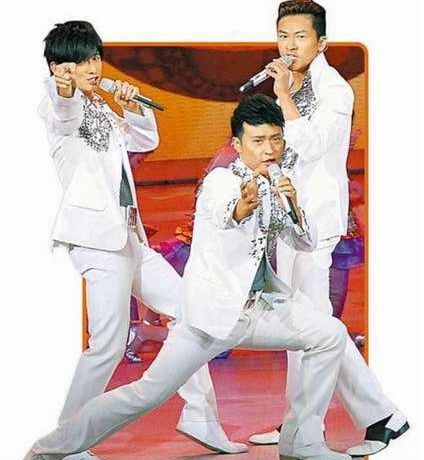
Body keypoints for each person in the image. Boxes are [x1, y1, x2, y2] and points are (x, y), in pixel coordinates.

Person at [25, 94, 358, 460]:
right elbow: (226, 213)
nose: (269, 149)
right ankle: (51, 448)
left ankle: (302, 441)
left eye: (276, 139)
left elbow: (304, 242)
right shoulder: (221, 180)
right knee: (145, 394)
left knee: (329, 334)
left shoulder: (278, 182)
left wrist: (294, 206)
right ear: (237, 144)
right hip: (210, 318)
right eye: (258, 141)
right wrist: (243, 207)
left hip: (259, 310)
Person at [37, 20, 247, 460]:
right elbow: (63, 107)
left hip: (130, 238)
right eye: (80, 61)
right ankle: (67, 441)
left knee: (194, 316)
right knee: (107, 345)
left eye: (95, 58)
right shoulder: (58, 106)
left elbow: (145, 138)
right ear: (59, 68)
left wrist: (131, 106)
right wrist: (64, 89)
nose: (92, 67)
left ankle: (200, 417)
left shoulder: (101, 106)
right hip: (97, 241)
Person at [247, 2, 409, 456]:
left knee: (311, 324)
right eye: (283, 35)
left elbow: (315, 144)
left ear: (321, 43)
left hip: (315, 221)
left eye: (300, 36)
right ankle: (349, 417)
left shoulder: (335, 89)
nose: (290, 45)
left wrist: (282, 97)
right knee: (303, 323)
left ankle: (345, 420)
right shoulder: (294, 84)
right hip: (286, 218)